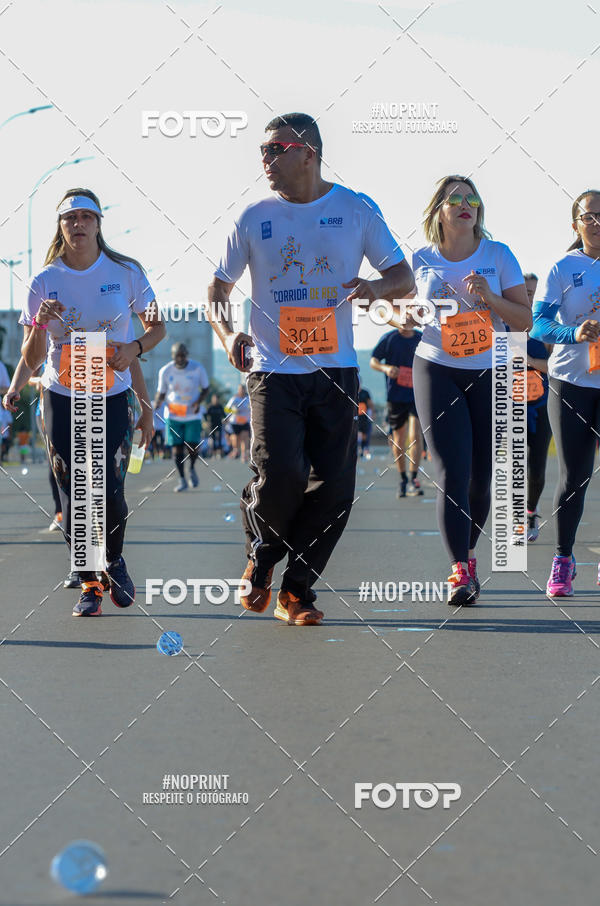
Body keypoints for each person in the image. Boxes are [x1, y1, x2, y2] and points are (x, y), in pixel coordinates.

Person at [208, 111, 414, 625]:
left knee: (336, 490)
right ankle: (260, 558)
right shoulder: (253, 216)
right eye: (262, 151)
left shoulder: (354, 208)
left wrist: (373, 288)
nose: (266, 159)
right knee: (281, 476)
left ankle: (296, 591)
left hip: (336, 370)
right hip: (273, 372)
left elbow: (403, 275)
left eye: (276, 149)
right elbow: (217, 290)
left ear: (309, 152)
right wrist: (228, 332)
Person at [20, 188, 164, 616]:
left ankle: (114, 560)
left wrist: (134, 350)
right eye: (70, 218)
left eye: (86, 217)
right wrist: (39, 325)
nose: (78, 224)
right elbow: (30, 360)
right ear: (61, 227)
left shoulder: (126, 272)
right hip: (61, 396)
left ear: (99, 224)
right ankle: (89, 583)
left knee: (111, 491)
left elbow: (157, 327)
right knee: (77, 491)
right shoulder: (44, 280)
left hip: (112, 394)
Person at [409, 175, 530, 605]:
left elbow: (524, 320)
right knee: (451, 473)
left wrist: (489, 298)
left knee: (482, 479)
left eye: (472, 198)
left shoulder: (498, 255)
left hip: (490, 368)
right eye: (455, 198)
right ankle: (459, 570)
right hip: (436, 366)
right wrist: (400, 316)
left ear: (479, 210)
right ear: (439, 210)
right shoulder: (420, 258)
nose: (465, 204)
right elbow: (401, 314)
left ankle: (470, 553)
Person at [530, 189, 600, 596]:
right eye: (588, 216)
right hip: (571, 381)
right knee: (575, 475)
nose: (595, 222)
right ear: (575, 224)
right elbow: (538, 324)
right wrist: (573, 332)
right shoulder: (562, 266)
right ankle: (563, 559)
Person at [510, 273, 552, 544]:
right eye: (525, 292)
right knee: (515, 464)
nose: (530, 297)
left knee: (536, 470)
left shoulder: (544, 328)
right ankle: (516, 520)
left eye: (534, 292)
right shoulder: (503, 325)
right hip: (511, 405)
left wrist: (528, 360)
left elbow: (553, 367)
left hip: (543, 404)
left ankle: (530, 511)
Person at [370, 323, 424, 497]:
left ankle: (414, 479)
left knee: (415, 435)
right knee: (399, 439)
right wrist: (386, 368)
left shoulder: (421, 338)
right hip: (396, 396)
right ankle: (403, 479)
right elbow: (373, 361)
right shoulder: (390, 338)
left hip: (417, 395)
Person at [155, 343, 209, 492]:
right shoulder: (165, 371)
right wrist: (157, 402)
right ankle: (182, 479)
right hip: (174, 414)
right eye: (177, 356)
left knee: (192, 445)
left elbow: (206, 388)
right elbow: (162, 392)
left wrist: (198, 402)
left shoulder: (197, 368)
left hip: (192, 413)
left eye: (183, 355)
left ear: (187, 354)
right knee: (176, 448)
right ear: (173, 356)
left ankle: (191, 468)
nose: (180, 359)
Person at [225, 384, 251, 462]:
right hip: (235, 421)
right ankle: (235, 450)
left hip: (245, 421)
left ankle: (244, 454)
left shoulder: (248, 399)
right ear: (238, 390)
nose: (242, 390)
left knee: (245, 437)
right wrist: (234, 411)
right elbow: (226, 409)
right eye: (240, 389)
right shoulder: (234, 398)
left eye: (243, 389)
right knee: (236, 438)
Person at [356, 385, 374, 459]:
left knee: (364, 434)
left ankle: (364, 449)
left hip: (364, 417)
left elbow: (370, 404)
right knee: (356, 434)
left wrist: (372, 414)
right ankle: (356, 449)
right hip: (355, 417)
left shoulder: (365, 393)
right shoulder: (352, 391)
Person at [206, 392, 226, 457]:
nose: (215, 400)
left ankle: (219, 453)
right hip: (212, 425)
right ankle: (213, 453)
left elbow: (224, 415)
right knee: (213, 439)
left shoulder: (220, 407)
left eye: (216, 399)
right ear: (212, 399)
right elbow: (205, 415)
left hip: (219, 424)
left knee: (219, 439)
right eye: (214, 398)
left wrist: (225, 420)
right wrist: (206, 422)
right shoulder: (210, 407)